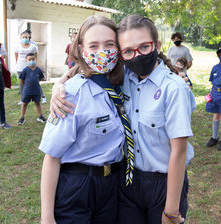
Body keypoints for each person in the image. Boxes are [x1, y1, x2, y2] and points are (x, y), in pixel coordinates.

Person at [51, 15, 196, 224]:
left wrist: (171, 210)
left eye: (144, 47)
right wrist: (60, 83)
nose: (137, 56)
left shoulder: (174, 88)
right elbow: (87, 70)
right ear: (121, 55)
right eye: (128, 51)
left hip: (164, 183)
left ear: (157, 45)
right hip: (127, 180)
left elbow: (179, 151)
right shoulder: (126, 75)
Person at [39, 15, 125, 224]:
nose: (102, 52)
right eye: (93, 46)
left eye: (109, 44)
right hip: (79, 185)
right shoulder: (70, 94)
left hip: (113, 184)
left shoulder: (121, 82)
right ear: (81, 49)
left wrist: (61, 79)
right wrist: (47, 217)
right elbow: (52, 157)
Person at [17, 53, 47, 125]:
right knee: (24, 103)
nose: (31, 61)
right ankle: (22, 118)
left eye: (33, 59)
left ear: (35, 59)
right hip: (27, 91)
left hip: (36, 90)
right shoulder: (25, 70)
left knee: (37, 103)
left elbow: (39, 78)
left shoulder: (38, 70)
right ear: (26, 60)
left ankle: (40, 116)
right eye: (29, 59)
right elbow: (21, 80)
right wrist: (26, 85)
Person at [15, 31, 38, 105]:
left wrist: (34, 65)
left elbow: (35, 56)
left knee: (30, 83)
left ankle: (33, 97)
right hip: (20, 67)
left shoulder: (33, 47)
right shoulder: (18, 46)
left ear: (29, 38)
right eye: (23, 37)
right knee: (22, 83)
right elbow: (16, 56)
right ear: (20, 38)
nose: (25, 38)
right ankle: (23, 99)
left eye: (26, 37)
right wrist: (18, 63)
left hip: (30, 67)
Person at [24, 29, 47, 104]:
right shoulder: (20, 44)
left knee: (36, 83)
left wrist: (34, 63)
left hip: (32, 67)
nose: (26, 37)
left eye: (28, 35)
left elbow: (36, 54)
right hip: (25, 66)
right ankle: (24, 98)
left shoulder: (33, 44)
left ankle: (42, 97)